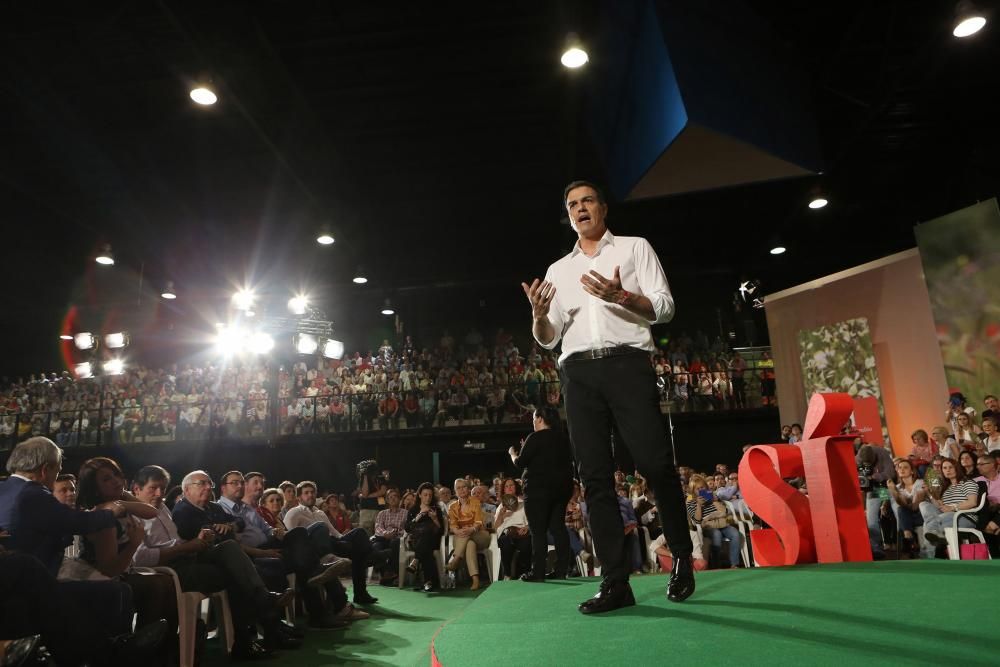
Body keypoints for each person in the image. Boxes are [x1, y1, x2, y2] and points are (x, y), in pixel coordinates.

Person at [521, 180, 693, 614]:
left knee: (655, 463)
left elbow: (665, 306)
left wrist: (621, 296)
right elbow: (548, 339)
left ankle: (683, 558)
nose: (580, 209)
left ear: (603, 207)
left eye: (587, 201)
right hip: (578, 373)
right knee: (594, 476)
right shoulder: (559, 269)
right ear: (569, 214)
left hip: (628, 364)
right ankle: (615, 581)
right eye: (572, 205)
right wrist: (540, 316)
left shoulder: (635, 248)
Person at [131, 466, 304, 657]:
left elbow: (236, 524)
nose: (159, 494)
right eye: (153, 488)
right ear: (136, 489)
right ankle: (255, 629)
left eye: (163, 489)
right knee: (236, 573)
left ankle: (255, 631)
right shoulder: (140, 515)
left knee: (232, 554)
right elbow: (140, 558)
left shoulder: (163, 507)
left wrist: (196, 540)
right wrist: (187, 546)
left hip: (191, 557)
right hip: (168, 571)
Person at [283, 481, 380, 605]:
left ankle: (361, 592)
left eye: (312, 492)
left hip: (332, 543)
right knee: (322, 528)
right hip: (314, 549)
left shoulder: (320, 513)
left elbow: (335, 533)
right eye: (306, 493)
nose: (310, 495)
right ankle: (372, 557)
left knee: (359, 534)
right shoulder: (294, 512)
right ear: (299, 497)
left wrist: (347, 539)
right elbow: (291, 536)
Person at [509, 406, 575, 581]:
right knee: (558, 529)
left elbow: (521, 463)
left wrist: (513, 454)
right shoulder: (563, 439)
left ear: (539, 419)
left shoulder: (535, 437)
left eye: (533, 419)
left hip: (538, 490)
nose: (533, 422)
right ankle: (561, 570)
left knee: (537, 531)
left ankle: (537, 572)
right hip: (562, 490)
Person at [919, 457, 980, 558]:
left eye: (951, 467)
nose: (948, 470)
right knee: (923, 505)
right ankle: (935, 533)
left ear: (957, 468)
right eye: (944, 468)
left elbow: (972, 502)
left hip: (964, 517)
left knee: (927, 524)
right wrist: (929, 493)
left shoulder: (967, 482)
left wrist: (953, 507)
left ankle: (927, 557)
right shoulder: (946, 488)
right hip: (946, 517)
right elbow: (940, 507)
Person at [685, 475, 741, 569]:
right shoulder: (690, 501)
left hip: (721, 523)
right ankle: (716, 566)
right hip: (708, 526)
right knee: (716, 534)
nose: (700, 490)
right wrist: (699, 505)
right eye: (697, 489)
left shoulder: (710, 495)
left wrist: (716, 500)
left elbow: (725, 511)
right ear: (693, 490)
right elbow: (697, 520)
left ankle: (734, 564)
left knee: (735, 533)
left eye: (702, 487)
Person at [446, 478, 489, 590]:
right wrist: (457, 530)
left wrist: (471, 529)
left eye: (464, 487)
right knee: (470, 544)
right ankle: (475, 580)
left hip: (479, 535)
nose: (461, 490)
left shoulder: (475, 502)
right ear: (455, 491)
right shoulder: (452, 507)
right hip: (462, 537)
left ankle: (455, 560)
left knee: (468, 534)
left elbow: (478, 522)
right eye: (458, 488)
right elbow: (453, 525)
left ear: (468, 489)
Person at [404, 482, 446, 592]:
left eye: (430, 495)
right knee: (426, 545)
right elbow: (407, 528)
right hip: (416, 541)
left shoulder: (436, 509)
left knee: (427, 534)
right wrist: (419, 516)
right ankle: (429, 581)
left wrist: (435, 519)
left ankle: (416, 560)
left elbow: (441, 531)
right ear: (419, 495)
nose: (428, 497)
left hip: (433, 541)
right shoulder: (413, 510)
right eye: (425, 495)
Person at [886, 458, 926, 558]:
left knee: (903, 510)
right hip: (908, 517)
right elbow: (903, 503)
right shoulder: (898, 487)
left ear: (912, 471)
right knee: (901, 509)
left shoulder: (920, 483)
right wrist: (894, 492)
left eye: (905, 467)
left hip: (921, 515)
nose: (902, 469)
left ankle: (909, 537)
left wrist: (897, 493)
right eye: (899, 468)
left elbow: (915, 506)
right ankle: (908, 534)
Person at [371, 488, 408, 585]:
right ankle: (387, 573)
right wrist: (385, 533)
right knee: (375, 546)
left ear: (399, 499)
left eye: (395, 496)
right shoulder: (382, 513)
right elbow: (378, 527)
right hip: (383, 538)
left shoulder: (405, 513)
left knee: (395, 542)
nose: (392, 499)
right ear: (387, 500)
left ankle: (390, 573)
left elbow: (408, 528)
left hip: (397, 537)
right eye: (390, 497)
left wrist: (396, 532)